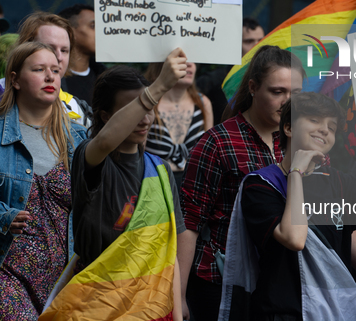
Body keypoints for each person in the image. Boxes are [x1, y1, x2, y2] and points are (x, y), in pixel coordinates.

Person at [219, 90, 356, 320]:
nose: (325, 129)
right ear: (289, 128)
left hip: (337, 312)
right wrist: (296, 173)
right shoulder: (260, 185)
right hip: (283, 313)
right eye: (314, 120)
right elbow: (295, 239)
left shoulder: (336, 180)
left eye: (332, 127)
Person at [41, 49, 189, 320]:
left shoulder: (159, 169)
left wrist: (177, 310)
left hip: (150, 305)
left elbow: (168, 252)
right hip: (96, 305)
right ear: (107, 116)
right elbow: (106, 142)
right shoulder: (91, 157)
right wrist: (157, 88)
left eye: (148, 108)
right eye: (134, 108)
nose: (144, 117)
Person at [178, 45, 305, 321]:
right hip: (219, 280)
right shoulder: (218, 142)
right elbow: (189, 222)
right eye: (277, 91)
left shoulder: (304, 143)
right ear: (252, 87)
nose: (288, 102)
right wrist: (178, 297)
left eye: (296, 94)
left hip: (279, 284)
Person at [0, 42, 86, 320]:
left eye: (56, 70)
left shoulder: (79, 138)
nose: (50, 77)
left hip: (66, 279)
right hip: (7, 273)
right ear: (14, 80)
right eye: (39, 69)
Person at [0, 12, 92, 126]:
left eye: (64, 50)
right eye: (49, 48)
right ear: (25, 48)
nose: (58, 57)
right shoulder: (1, 92)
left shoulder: (78, 109)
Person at [145, 61, 213, 189]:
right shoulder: (148, 103)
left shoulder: (203, 103)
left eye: (193, 59)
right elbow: (136, 155)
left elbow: (209, 156)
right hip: (154, 186)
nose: (190, 64)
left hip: (193, 185)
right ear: (162, 64)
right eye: (181, 59)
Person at [196, 17, 265, 124]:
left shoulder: (268, 78)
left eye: (261, 40)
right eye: (249, 41)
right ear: (235, 44)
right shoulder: (213, 80)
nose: (257, 46)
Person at [57, 4, 105, 105]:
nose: (102, 33)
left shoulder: (106, 79)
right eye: (93, 26)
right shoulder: (51, 78)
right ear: (70, 32)